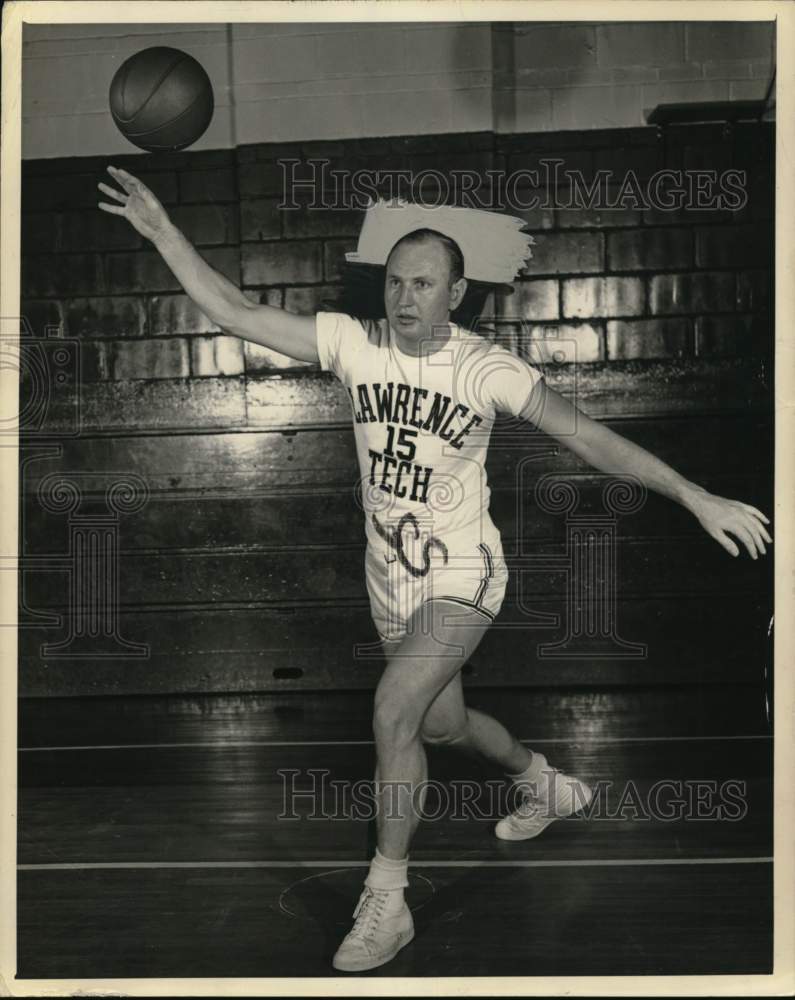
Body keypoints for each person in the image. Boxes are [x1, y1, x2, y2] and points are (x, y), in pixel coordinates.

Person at [99, 168, 772, 973]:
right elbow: (236, 312)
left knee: (391, 711)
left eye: (422, 282)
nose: (403, 295)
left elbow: (588, 437)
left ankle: (387, 899)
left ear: (455, 293)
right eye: (393, 281)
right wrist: (162, 230)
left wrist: (694, 496)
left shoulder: (485, 368)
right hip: (390, 579)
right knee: (440, 726)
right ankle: (545, 783)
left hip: (463, 572)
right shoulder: (353, 343)